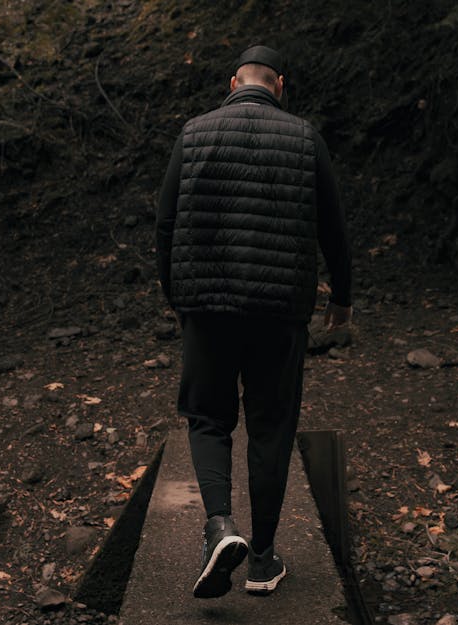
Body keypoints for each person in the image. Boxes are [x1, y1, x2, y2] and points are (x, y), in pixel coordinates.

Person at [155, 44, 352, 599]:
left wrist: (178, 293)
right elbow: (333, 226)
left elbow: (165, 221)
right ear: (279, 85)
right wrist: (343, 297)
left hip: (207, 306)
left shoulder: (193, 133)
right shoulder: (306, 137)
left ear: (233, 82)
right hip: (280, 310)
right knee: (271, 428)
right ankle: (262, 561)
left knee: (208, 418)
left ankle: (219, 526)